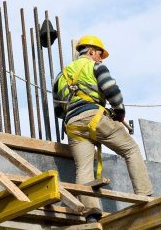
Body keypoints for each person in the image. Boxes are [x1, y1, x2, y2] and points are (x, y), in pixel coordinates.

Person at [52, 35, 153, 222]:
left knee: (83, 169)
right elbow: (112, 91)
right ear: (91, 51)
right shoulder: (95, 66)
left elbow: (58, 110)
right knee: (131, 150)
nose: (101, 58)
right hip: (95, 118)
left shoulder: (61, 76)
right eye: (99, 54)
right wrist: (119, 111)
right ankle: (145, 197)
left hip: (73, 125)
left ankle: (91, 213)